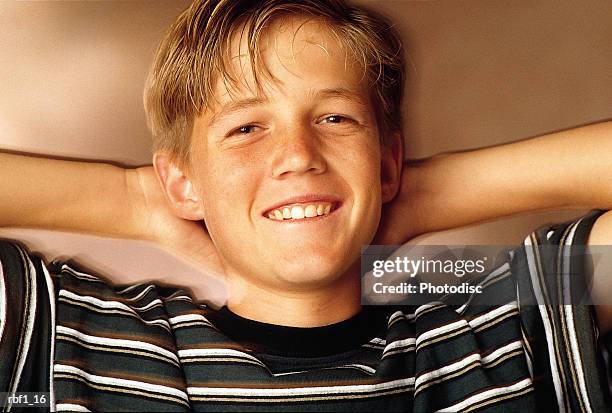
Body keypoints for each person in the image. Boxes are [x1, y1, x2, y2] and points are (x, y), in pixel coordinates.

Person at [0, 0, 611, 411]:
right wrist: (135, 200)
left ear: (388, 160)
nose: (298, 154)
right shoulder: (76, 341)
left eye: (335, 118)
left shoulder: (500, 328)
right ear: (181, 183)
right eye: (246, 129)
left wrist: (422, 193)